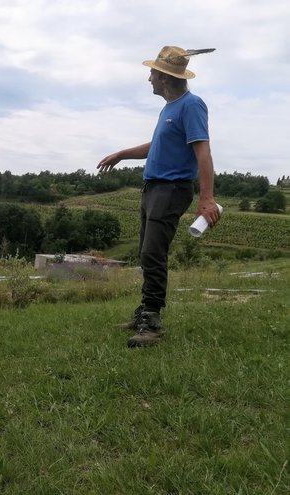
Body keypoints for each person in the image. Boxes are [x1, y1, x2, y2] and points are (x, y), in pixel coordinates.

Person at [97, 46, 221, 348]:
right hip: (153, 189)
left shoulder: (192, 106)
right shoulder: (170, 109)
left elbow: (202, 153)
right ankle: (145, 310)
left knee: (153, 253)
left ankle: (151, 320)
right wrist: (122, 154)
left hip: (171, 190)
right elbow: (157, 145)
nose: (149, 77)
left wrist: (207, 198)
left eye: (153, 72)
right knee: (145, 251)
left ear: (165, 78)